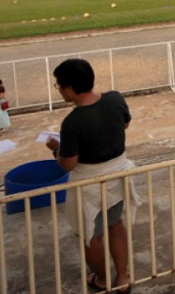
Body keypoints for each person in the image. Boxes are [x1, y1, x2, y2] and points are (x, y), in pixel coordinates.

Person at [45, 58, 136, 293]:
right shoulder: (115, 99)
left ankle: (103, 280)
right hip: (117, 176)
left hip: (90, 185)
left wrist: (56, 149)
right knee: (115, 224)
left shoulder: (73, 122)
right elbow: (125, 124)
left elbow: (68, 164)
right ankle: (122, 278)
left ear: (69, 88)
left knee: (91, 236)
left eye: (59, 86)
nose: (59, 90)